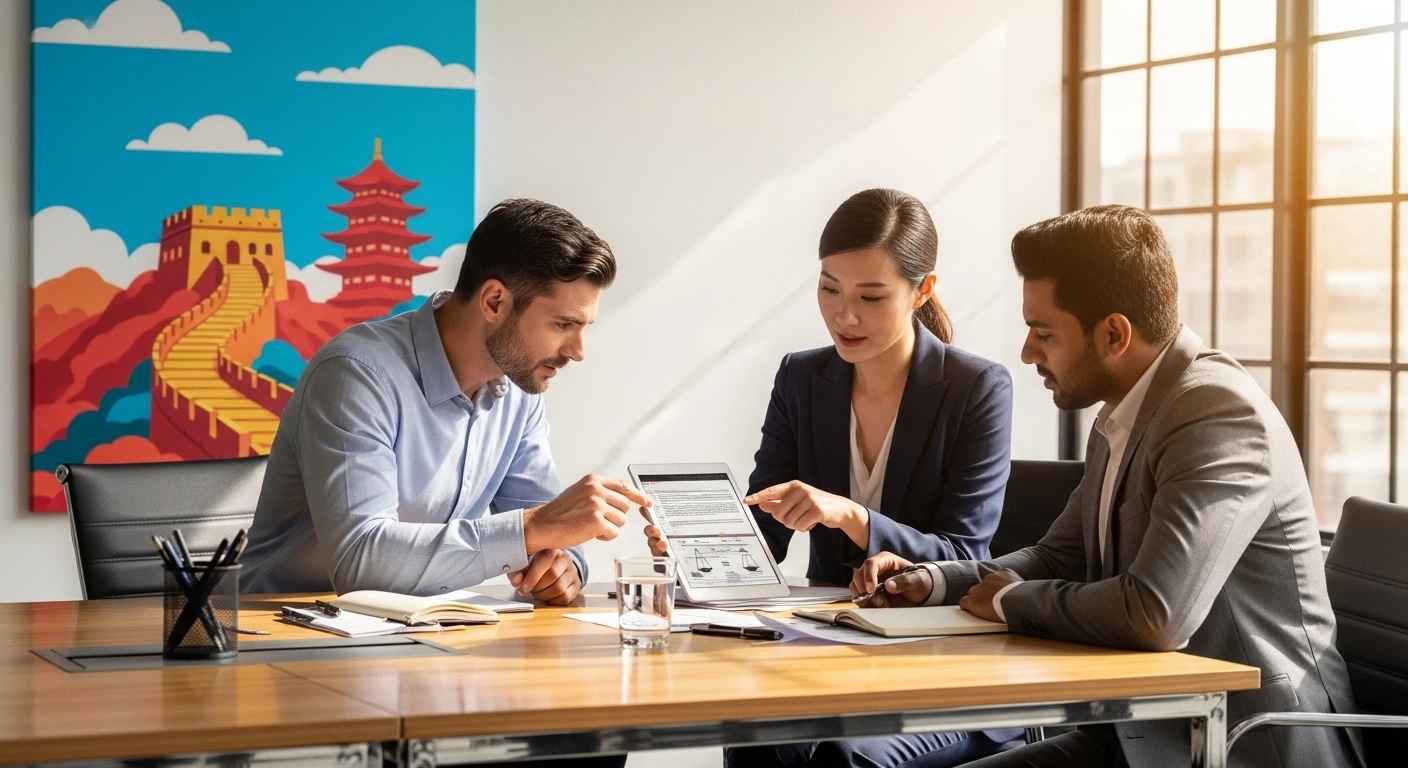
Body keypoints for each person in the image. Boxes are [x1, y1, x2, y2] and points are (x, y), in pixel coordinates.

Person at [855, 205, 1363, 768]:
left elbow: (1157, 613)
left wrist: (1006, 601)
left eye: (1043, 332)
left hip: (1241, 740)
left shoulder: (1216, 413)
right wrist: (934, 581)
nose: (1028, 352)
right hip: (1145, 727)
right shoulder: (1124, 409)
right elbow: (1061, 555)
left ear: (1115, 334)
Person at [648, 188, 1019, 767]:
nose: (844, 316)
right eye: (829, 288)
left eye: (871, 296)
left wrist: (850, 515)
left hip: (939, 662)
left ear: (923, 291)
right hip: (826, 649)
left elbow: (965, 553)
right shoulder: (802, 377)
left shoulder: (977, 389)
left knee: (842, 756)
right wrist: (699, 551)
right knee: (757, 735)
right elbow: (765, 528)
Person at [243, 198, 653, 609]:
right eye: (563, 324)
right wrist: (535, 529)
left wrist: (563, 566)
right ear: (494, 301)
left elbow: (548, 530)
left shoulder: (517, 388)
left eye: (584, 327)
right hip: (288, 632)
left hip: (429, 627)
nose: (578, 351)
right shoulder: (355, 374)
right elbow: (359, 562)